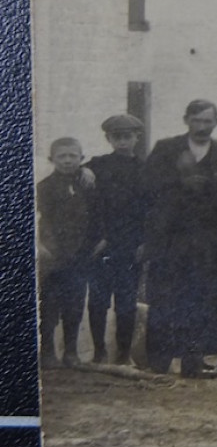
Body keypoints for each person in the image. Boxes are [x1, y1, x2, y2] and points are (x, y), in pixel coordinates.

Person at [141, 100, 217, 378]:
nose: (201, 127)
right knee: (164, 299)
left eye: (207, 121)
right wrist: (179, 181)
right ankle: (159, 362)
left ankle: (193, 361)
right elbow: (147, 189)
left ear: (216, 122)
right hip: (169, 239)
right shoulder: (165, 149)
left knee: (200, 300)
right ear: (186, 120)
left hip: (208, 241)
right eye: (196, 120)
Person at [85, 113, 147, 365]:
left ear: (137, 138)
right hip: (101, 245)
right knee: (98, 301)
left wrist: (145, 242)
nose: (122, 142)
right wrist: (84, 170)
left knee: (126, 302)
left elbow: (149, 210)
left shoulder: (145, 170)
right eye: (117, 137)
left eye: (127, 137)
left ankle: (123, 353)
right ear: (109, 138)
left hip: (130, 247)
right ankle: (99, 351)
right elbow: (89, 206)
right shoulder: (97, 165)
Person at [37, 137, 94, 369]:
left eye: (73, 156)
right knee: (49, 304)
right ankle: (48, 351)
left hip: (79, 254)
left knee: (75, 303)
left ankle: (71, 351)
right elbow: (41, 220)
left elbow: (93, 216)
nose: (68, 160)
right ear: (52, 160)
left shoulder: (87, 184)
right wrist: (43, 246)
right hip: (53, 255)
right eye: (62, 156)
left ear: (81, 158)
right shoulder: (44, 187)